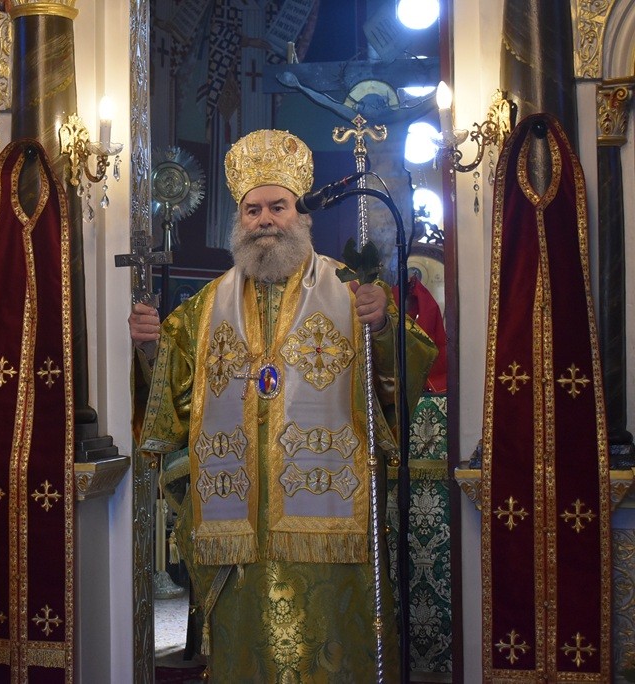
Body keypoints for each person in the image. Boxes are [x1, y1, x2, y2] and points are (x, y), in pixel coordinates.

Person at [130, 129, 436, 681]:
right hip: (239, 530)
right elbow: (171, 404)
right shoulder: (202, 311)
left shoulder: (353, 291)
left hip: (331, 533)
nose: (265, 219)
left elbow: (399, 384)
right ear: (238, 219)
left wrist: (385, 324)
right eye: (252, 210)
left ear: (302, 215)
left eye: (278, 206)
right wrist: (150, 347)